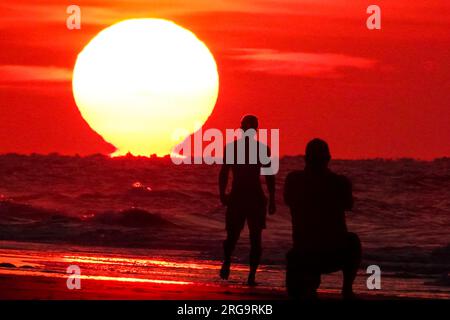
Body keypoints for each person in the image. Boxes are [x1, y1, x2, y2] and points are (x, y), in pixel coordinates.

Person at [284, 138, 361, 299]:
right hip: (328, 252)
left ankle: (316, 284)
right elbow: (349, 204)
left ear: (306, 159)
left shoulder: (293, 180)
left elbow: (288, 200)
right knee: (353, 241)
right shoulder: (339, 183)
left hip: (304, 252)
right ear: (328, 159)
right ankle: (346, 289)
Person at [219, 115, 276, 286]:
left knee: (253, 237)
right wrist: (222, 193)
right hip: (240, 196)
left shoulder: (260, 149)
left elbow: (269, 175)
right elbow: (224, 172)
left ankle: (251, 274)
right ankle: (230, 262)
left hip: (252, 197)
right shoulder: (233, 148)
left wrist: (272, 198)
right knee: (234, 235)